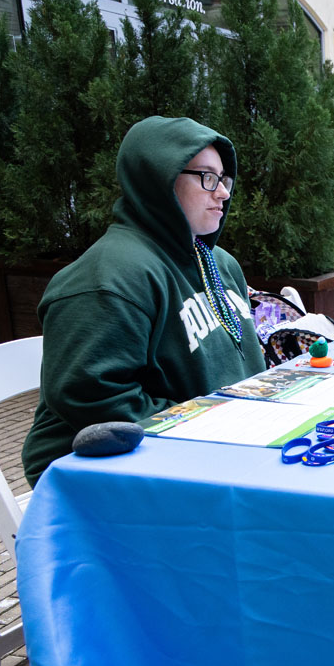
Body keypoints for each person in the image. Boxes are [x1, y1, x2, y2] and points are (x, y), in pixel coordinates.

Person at [22, 116, 265, 486]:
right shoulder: (107, 279)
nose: (223, 193)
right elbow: (92, 396)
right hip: (101, 472)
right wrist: (213, 423)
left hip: (219, 446)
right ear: (160, 180)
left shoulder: (219, 263)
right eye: (207, 178)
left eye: (225, 179)